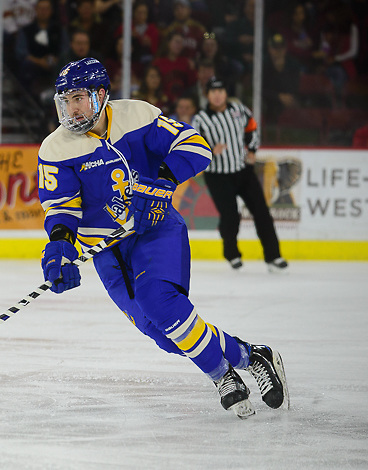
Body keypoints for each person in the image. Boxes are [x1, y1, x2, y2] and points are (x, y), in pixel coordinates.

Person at [38, 57, 289, 418]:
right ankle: (252, 355)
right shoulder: (56, 148)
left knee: (160, 302)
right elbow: (62, 207)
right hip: (106, 251)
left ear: (101, 95)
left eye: (78, 98)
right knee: (163, 334)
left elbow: (196, 146)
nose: (71, 109)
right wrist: (60, 243)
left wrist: (161, 180)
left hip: (155, 229)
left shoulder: (137, 115)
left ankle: (221, 375)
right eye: (65, 101)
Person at [191, 77, 288, 271]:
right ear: (207, 95)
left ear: (226, 93)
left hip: (243, 170)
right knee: (230, 216)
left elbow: (252, 129)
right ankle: (232, 254)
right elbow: (194, 143)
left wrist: (252, 151)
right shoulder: (200, 118)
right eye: (213, 92)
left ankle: (273, 257)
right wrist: (210, 149)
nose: (217, 96)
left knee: (262, 213)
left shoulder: (239, 110)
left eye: (221, 91)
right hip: (218, 175)